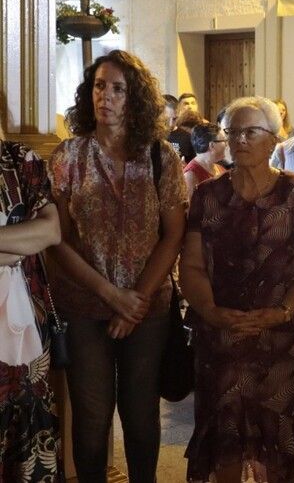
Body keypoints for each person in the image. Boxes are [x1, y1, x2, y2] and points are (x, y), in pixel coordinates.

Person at [48, 49, 187, 482]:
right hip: (84, 304)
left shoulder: (161, 156)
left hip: (147, 307)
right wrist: (111, 295)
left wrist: (135, 301)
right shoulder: (69, 156)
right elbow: (57, 239)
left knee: (141, 415)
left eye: (117, 89)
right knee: (91, 420)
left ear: (135, 98)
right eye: (98, 86)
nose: (104, 96)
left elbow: (173, 235)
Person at [180, 95, 294, 482]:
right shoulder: (207, 195)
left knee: (280, 443)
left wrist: (283, 312)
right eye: (232, 132)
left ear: (273, 139)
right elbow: (191, 266)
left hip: (283, 339)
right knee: (224, 437)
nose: (240, 139)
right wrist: (211, 312)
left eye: (251, 131)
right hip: (222, 335)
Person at [0, 130, 62, 481]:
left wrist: (27, 242)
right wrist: (15, 245)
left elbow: (49, 232)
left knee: (24, 431)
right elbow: (30, 238)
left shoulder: (18, 159)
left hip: (24, 330)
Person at [183, 122, 228, 200]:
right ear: (212, 145)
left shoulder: (220, 168)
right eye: (224, 141)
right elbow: (190, 206)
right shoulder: (190, 175)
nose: (226, 144)